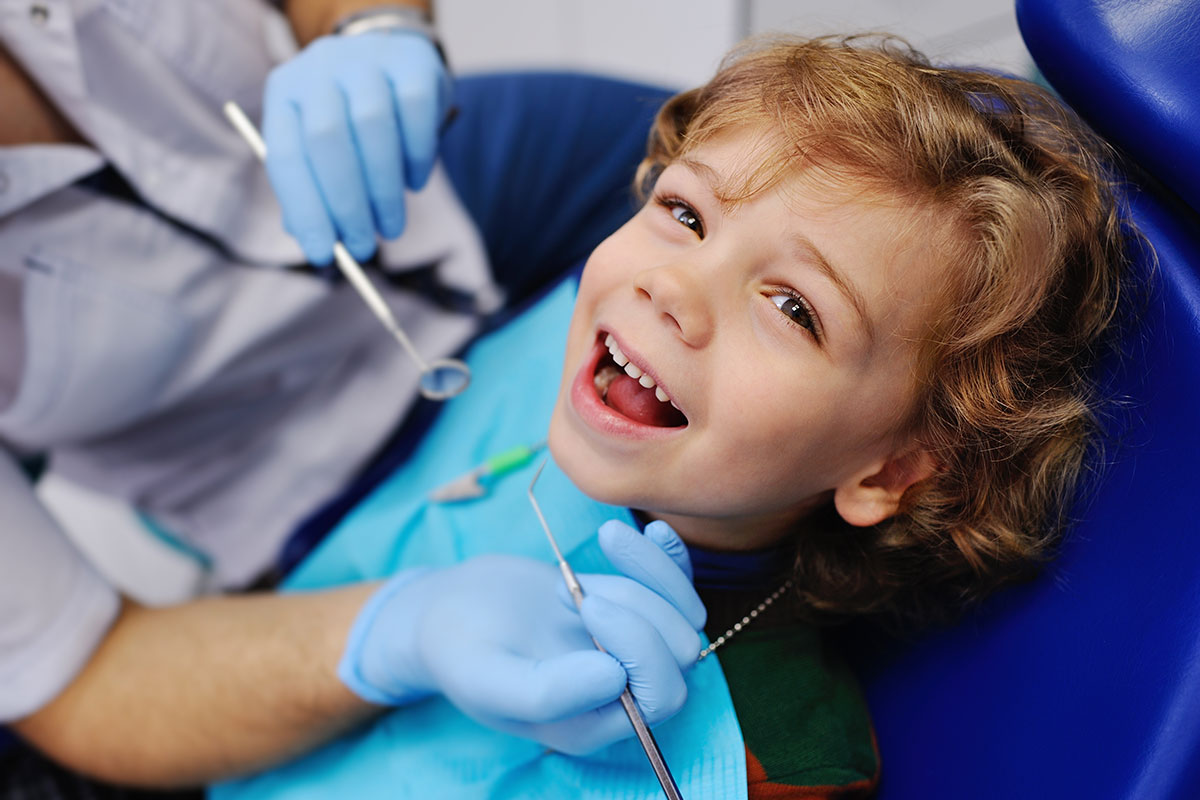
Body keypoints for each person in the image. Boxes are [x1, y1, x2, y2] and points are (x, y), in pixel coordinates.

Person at [210, 32, 1138, 800]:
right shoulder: (546, 341)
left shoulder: (781, 764)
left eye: (793, 308)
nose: (672, 287)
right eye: (687, 213)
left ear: (887, 472)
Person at [1, 1, 702, 797]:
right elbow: (85, 675)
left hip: (446, 189)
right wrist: (398, 632)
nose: (687, 296)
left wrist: (369, 23)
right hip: (299, 474)